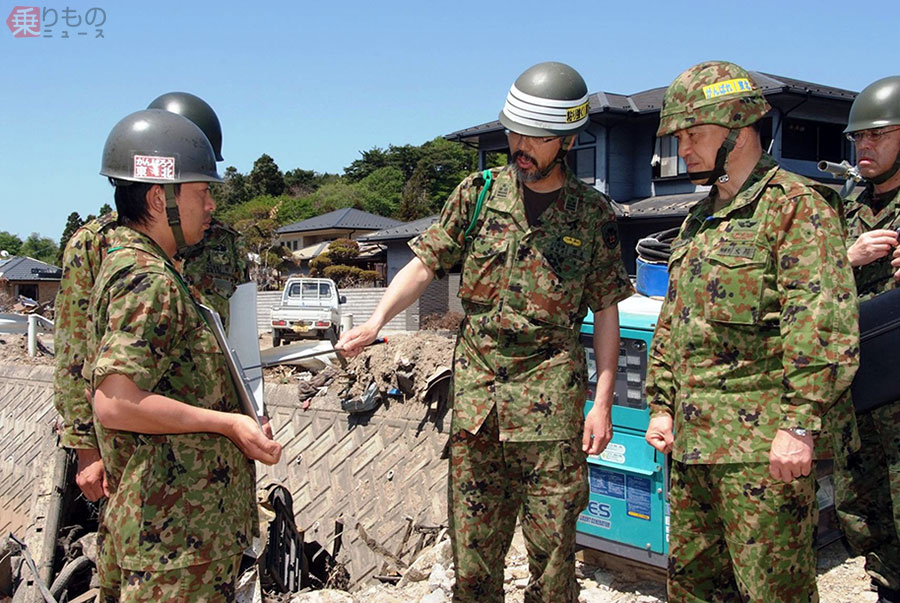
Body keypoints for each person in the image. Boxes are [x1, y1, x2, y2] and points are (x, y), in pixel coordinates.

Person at [337, 61, 633, 602]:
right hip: (479, 408)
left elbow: (607, 309)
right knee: (473, 563)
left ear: (565, 140)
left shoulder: (591, 214)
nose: (520, 145)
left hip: (551, 408)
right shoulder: (476, 195)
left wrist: (604, 402)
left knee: (553, 562)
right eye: (514, 131)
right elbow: (424, 265)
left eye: (536, 137)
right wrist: (375, 321)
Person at [643, 61, 859, 602]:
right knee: (693, 588)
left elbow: (822, 323)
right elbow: (676, 321)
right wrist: (662, 405)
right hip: (693, 450)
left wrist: (800, 426)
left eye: (694, 135)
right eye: (678, 137)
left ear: (738, 132)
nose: (683, 149)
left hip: (762, 455)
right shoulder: (697, 219)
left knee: (773, 593)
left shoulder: (796, 207)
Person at [85, 108, 281, 601]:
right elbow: (115, 402)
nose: (212, 204)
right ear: (159, 197)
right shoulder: (148, 280)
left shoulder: (139, 266)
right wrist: (226, 424)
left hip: (174, 531)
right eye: (202, 192)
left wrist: (240, 412)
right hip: (173, 541)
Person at [53, 92, 246, 502]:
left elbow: (237, 341)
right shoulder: (96, 245)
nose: (209, 201)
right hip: (132, 453)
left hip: (208, 450)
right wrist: (86, 447)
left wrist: (245, 416)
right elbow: (74, 353)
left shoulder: (224, 243)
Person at [835, 75, 900, 603]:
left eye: (878, 135)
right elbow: (800, 281)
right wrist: (845, 258)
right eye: (860, 138)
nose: (865, 147)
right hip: (858, 392)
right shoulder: (845, 206)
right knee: (864, 508)